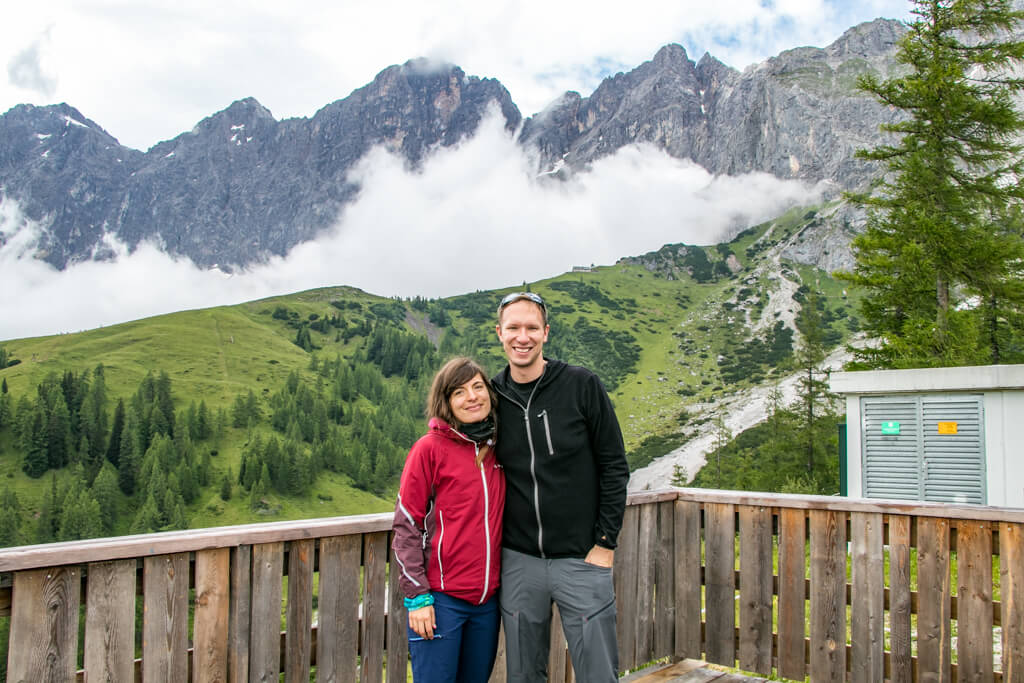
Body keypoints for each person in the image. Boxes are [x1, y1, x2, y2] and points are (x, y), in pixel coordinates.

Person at [491, 291, 630, 683]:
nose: (523, 337)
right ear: (499, 333)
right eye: (514, 328)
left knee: (598, 672)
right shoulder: (492, 395)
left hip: (582, 558)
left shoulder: (581, 385)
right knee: (522, 674)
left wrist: (605, 543)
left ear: (546, 333)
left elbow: (614, 465)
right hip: (518, 560)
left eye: (532, 328)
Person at [391, 356, 506, 682]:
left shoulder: (497, 447)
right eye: (459, 392)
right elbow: (406, 526)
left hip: (487, 603)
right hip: (441, 601)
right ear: (446, 402)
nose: (472, 397)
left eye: (477, 387)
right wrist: (417, 597)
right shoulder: (429, 449)